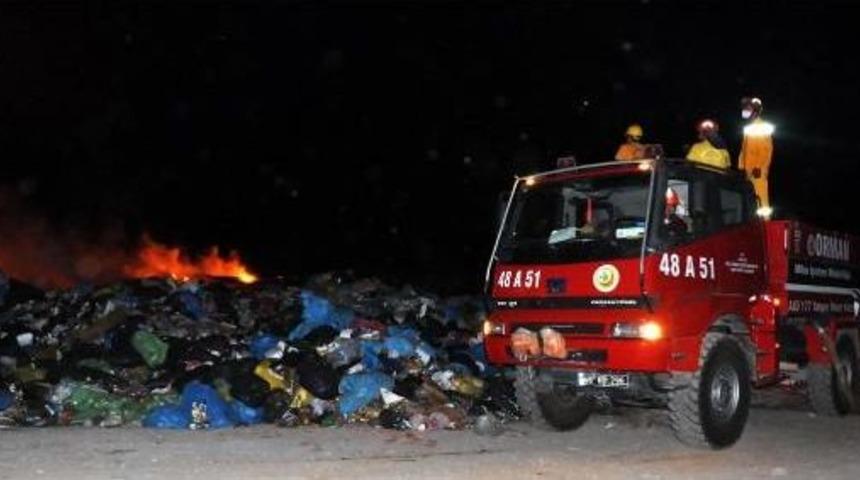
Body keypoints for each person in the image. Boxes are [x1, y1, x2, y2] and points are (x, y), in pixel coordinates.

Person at [738, 97, 775, 217]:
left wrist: (759, 167)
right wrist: (741, 168)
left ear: (755, 110)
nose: (745, 111)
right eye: (744, 108)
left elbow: (767, 150)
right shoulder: (748, 128)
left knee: (761, 201)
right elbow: (744, 152)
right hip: (748, 173)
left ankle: (764, 225)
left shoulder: (762, 126)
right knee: (751, 203)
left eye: (748, 108)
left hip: (757, 172)